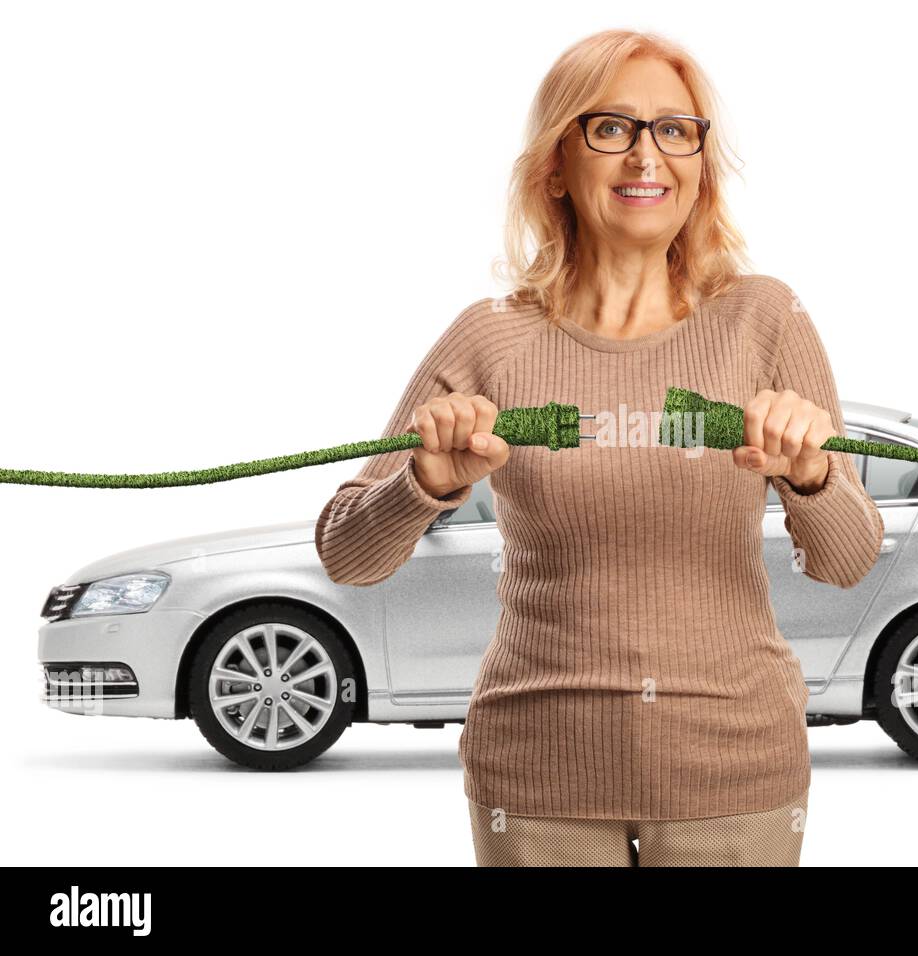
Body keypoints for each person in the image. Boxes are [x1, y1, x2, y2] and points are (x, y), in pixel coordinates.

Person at [315, 28, 885, 867]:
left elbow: (849, 558)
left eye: (674, 129)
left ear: (700, 161)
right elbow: (345, 553)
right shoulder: (491, 340)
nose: (646, 155)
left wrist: (812, 475)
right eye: (611, 127)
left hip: (733, 776)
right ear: (555, 164)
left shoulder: (765, 319)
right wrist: (422, 486)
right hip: (536, 781)